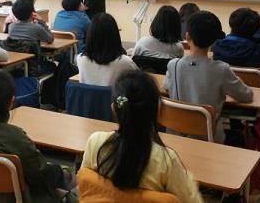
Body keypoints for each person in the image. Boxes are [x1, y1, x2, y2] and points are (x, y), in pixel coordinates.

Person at [81, 70, 203, 203]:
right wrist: (189, 180)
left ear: (114, 109)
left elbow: (86, 187)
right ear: (157, 112)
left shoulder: (95, 142)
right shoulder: (166, 161)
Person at [0, 69, 67, 202]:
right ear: (11, 102)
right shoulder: (16, 138)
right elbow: (41, 174)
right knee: (59, 174)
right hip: (12, 199)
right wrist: (62, 172)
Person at [164, 11, 253, 143]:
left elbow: (166, 87)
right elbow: (246, 95)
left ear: (187, 36)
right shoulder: (221, 69)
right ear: (215, 40)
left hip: (175, 135)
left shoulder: (173, 65)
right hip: (208, 137)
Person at [212, 8, 260, 74]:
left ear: (231, 24)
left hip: (223, 87)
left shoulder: (216, 47)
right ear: (256, 30)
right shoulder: (259, 52)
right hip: (252, 87)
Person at [77, 13, 137, 86]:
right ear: (115, 35)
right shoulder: (125, 62)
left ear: (90, 35)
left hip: (88, 97)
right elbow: (140, 80)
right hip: (114, 97)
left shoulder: (80, 59)